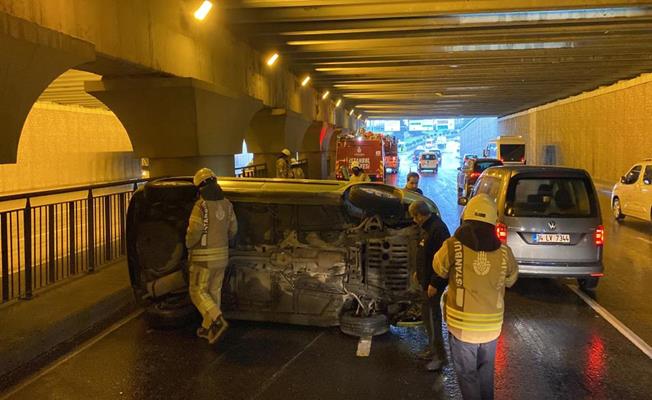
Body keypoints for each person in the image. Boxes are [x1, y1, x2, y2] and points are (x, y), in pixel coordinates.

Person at [433, 194, 518, 400]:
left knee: (467, 375)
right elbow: (511, 279)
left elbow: (438, 267)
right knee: (485, 373)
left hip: (463, 327)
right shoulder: (505, 252)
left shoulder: (453, 246)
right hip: (491, 327)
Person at [186, 168, 238, 345]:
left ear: (199, 188)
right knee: (214, 291)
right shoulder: (227, 204)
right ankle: (208, 328)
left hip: (203, 258)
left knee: (197, 291)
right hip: (222, 256)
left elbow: (194, 231)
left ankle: (217, 318)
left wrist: (187, 243)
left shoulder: (200, 206)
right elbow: (233, 230)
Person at [408, 201, 450, 372]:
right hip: (426, 281)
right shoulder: (427, 227)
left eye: (414, 216)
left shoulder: (437, 229)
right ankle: (431, 348)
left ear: (420, 214)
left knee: (433, 319)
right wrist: (419, 272)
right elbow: (425, 253)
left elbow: (444, 261)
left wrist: (435, 282)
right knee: (427, 317)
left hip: (433, 284)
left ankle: (440, 357)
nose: (413, 220)